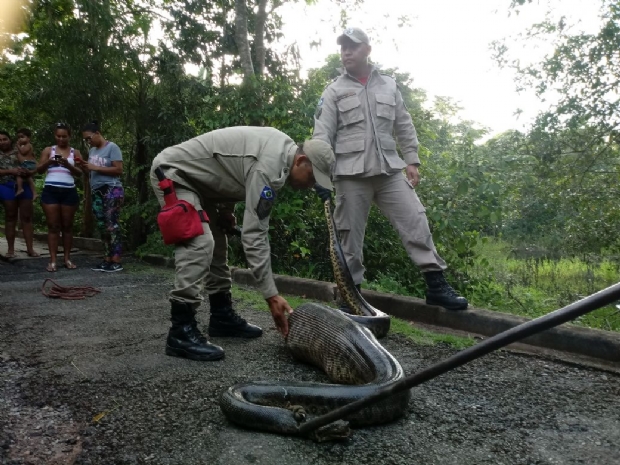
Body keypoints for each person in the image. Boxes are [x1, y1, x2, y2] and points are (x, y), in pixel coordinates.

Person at [312, 27, 468, 311]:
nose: (346, 51)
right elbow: (321, 135)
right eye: (343, 47)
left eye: (353, 46)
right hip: (350, 174)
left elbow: (404, 124)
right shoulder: (333, 90)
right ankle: (351, 295)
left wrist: (412, 160)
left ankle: (436, 285)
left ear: (367, 50)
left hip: (389, 170)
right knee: (348, 236)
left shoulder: (388, 85)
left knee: (415, 220)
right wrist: (321, 174)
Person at [150, 126, 335, 362]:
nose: (311, 186)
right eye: (312, 177)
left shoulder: (282, 152)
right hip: (174, 173)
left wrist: (226, 210)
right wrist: (271, 296)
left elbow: (232, 173)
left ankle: (221, 317)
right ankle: (180, 332)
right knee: (200, 243)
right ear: (301, 160)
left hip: (201, 185)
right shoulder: (270, 167)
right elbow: (255, 236)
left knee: (217, 244)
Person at [78, 121, 124, 273]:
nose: (88, 142)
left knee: (112, 224)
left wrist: (95, 167)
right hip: (97, 191)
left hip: (112, 189)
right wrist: (85, 167)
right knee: (102, 226)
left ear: (97, 133)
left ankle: (117, 260)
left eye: (89, 138)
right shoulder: (92, 152)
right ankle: (107, 259)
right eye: (86, 140)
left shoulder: (112, 147)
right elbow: (92, 172)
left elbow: (118, 170)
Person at [37, 123, 84, 272]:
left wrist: (68, 165)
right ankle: (52, 261)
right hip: (50, 190)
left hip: (68, 191)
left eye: (64, 136)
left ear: (69, 136)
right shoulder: (48, 150)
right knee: (53, 226)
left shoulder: (74, 152)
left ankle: (67, 258)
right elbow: (38, 170)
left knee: (67, 226)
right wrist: (50, 161)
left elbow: (80, 172)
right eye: (58, 136)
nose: (61, 139)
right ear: (55, 136)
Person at [0, 130, 38, 258]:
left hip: (24, 185)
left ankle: (30, 249)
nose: (2, 142)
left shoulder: (20, 150)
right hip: (6, 186)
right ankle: (11, 250)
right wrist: (11, 171)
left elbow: (33, 164)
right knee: (10, 216)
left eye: (5, 139)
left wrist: (28, 171)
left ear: (10, 140)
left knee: (27, 217)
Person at [15, 128, 38, 199]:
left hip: (29, 164)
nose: (20, 139)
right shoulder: (23, 146)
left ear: (28, 138)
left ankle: (23, 189)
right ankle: (23, 189)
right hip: (25, 164)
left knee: (23, 175)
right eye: (18, 137)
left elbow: (23, 152)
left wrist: (18, 145)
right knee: (24, 176)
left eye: (22, 137)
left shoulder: (28, 145)